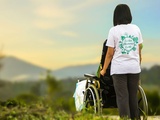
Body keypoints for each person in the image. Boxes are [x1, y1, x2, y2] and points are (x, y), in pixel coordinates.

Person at [100, 4, 143, 120]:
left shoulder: (113, 30)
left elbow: (109, 54)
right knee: (133, 97)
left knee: (122, 97)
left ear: (116, 16)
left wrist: (103, 70)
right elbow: (139, 51)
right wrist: (137, 65)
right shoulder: (136, 29)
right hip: (134, 68)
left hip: (119, 69)